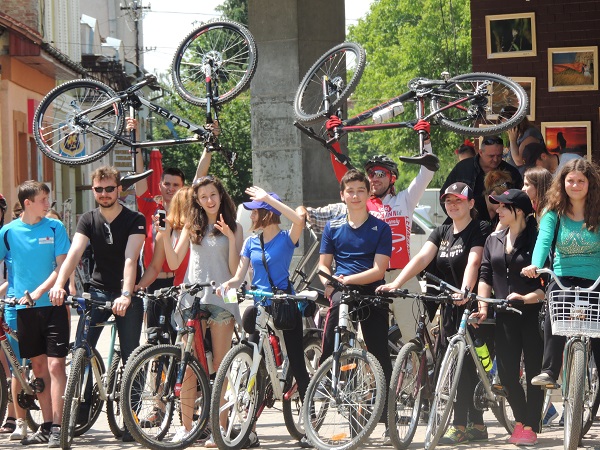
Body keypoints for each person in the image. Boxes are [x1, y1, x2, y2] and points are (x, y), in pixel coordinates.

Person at [298, 121, 435, 343]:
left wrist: (426, 140)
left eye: (381, 173)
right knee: (366, 342)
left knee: (419, 339)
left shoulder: (405, 200)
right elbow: (344, 175)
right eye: (371, 173)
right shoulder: (362, 203)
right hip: (370, 277)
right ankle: (374, 378)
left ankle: (426, 371)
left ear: (392, 178)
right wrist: (335, 141)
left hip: (403, 275)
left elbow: (426, 173)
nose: (374, 177)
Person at [378, 182, 490, 444]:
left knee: (466, 367)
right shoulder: (441, 232)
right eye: (448, 200)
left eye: (459, 200)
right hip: (449, 305)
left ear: (471, 204)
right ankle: (477, 425)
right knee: (452, 366)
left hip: (472, 304)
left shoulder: (479, 228)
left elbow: (474, 261)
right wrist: (397, 283)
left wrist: (465, 291)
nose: (453, 205)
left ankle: (461, 425)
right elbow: (419, 259)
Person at [49, 166, 146, 443]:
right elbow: (75, 252)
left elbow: (131, 258)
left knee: (131, 356)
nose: (104, 194)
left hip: (126, 293)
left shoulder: (134, 219)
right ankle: (76, 411)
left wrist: (126, 294)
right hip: (99, 292)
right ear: (94, 190)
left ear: (119, 189)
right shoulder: (87, 219)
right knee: (82, 348)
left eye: (109, 189)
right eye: (99, 189)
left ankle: (132, 420)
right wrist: (59, 284)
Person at [220, 186, 309, 447]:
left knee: (296, 360)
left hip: (284, 304)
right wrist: (228, 285)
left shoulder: (285, 238)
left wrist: (269, 198)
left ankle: (309, 422)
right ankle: (251, 430)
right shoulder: (250, 242)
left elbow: (299, 220)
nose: (252, 216)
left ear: (267, 213)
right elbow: (239, 276)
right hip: (260, 307)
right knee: (253, 365)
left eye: (255, 211)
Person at [159, 176, 243, 444]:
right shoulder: (190, 226)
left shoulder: (235, 226)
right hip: (192, 298)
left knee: (220, 365)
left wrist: (230, 237)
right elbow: (173, 262)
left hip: (222, 298)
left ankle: (220, 427)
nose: (209, 200)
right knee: (190, 367)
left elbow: (233, 271)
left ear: (221, 195)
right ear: (197, 200)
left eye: (213, 195)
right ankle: (186, 428)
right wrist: (163, 234)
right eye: (203, 196)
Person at [317, 169, 392, 439]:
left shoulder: (381, 228)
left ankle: (386, 418)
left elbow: (379, 269)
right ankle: (330, 380)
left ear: (368, 193)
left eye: (361, 190)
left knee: (379, 351)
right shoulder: (333, 226)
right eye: (350, 191)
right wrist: (328, 281)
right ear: (342, 195)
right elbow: (323, 264)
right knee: (334, 341)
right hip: (342, 289)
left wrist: (345, 279)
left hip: (371, 289)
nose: (356, 195)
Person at [0, 181, 71, 447]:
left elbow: (61, 266)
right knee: (38, 367)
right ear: (27, 203)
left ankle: (59, 427)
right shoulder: (8, 232)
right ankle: (47, 424)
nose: (48, 203)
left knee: (55, 365)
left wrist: (40, 290)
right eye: (43, 199)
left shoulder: (55, 227)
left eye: (48, 198)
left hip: (52, 306)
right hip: (23, 309)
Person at [522, 159, 600, 392]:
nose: (575, 185)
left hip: (595, 277)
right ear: (562, 183)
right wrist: (534, 265)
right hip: (563, 276)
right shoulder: (552, 212)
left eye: (581, 181)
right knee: (555, 311)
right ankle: (549, 370)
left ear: (590, 184)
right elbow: (543, 241)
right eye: (570, 181)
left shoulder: (598, 211)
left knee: (598, 328)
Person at [475, 189, 544, 445]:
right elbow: (485, 275)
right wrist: (483, 306)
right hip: (503, 313)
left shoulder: (537, 239)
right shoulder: (494, 238)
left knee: (535, 372)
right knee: (505, 375)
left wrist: (526, 298)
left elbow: (545, 281)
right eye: (497, 206)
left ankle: (529, 426)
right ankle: (522, 419)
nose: (498, 210)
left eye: (503, 206)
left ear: (519, 210)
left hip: (532, 311)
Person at [441, 136, 523, 224]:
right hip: (464, 224)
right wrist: (457, 217)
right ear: (480, 152)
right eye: (491, 156)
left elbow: (519, 200)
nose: (495, 159)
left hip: (501, 225)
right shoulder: (463, 168)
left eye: (499, 155)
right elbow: (444, 195)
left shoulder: (511, 172)